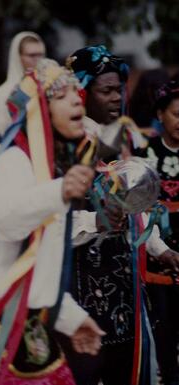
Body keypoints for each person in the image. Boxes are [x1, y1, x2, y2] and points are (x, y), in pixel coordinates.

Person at [0, 58, 106, 385]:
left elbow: (41, 263)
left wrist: (73, 319)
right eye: (62, 95)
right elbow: (1, 217)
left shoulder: (49, 171)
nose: (76, 100)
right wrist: (59, 191)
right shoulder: (13, 160)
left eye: (77, 93)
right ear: (38, 111)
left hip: (27, 325)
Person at [55, 45, 179, 385]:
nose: (116, 98)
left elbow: (135, 210)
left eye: (118, 89)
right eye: (105, 90)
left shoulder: (121, 144)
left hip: (122, 288)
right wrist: (96, 222)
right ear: (81, 92)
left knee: (127, 369)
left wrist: (161, 251)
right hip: (78, 292)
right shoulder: (63, 150)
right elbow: (49, 226)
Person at [139, 80, 179, 385]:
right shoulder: (144, 155)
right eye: (176, 114)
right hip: (156, 256)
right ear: (160, 114)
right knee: (163, 327)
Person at [0, 31, 45, 136]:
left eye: (40, 54)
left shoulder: (51, 89)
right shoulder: (1, 94)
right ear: (18, 57)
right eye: (31, 55)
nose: (38, 60)